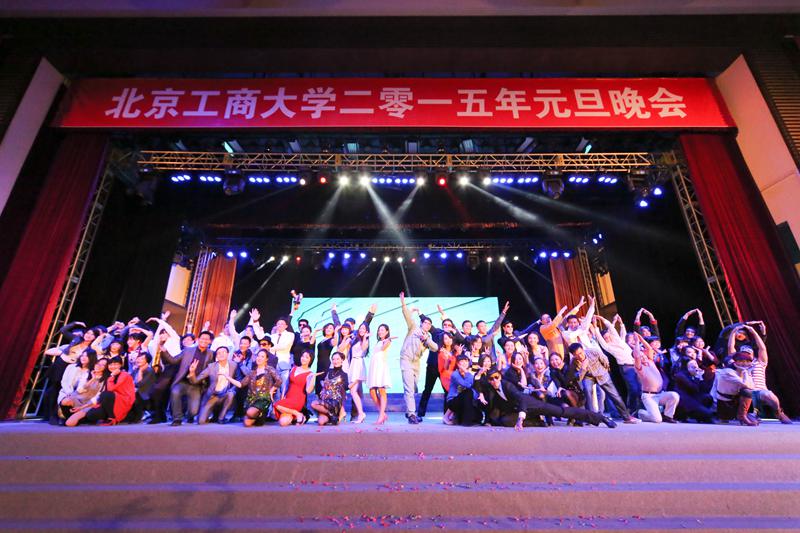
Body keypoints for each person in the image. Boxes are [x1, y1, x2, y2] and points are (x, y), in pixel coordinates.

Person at [481, 366, 616, 430]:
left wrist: (520, 420)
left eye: (496, 377)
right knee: (504, 421)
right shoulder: (491, 388)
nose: (494, 381)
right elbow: (480, 385)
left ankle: (601, 418)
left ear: (500, 377)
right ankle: (537, 422)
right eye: (491, 379)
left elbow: (521, 399)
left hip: (532, 405)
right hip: (519, 410)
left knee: (562, 411)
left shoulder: (507, 385)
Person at [728, 326, 791, 424]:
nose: (746, 355)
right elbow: (730, 348)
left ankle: (779, 412)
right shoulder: (738, 363)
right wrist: (733, 331)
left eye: (748, 353)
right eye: (743, 353)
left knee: (769, 395)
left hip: (761, 391)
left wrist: (753, 332)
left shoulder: (760, 362)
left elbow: (762, 348)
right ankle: (745, 416)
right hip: (745, 392)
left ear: (753, 354)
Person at [569, 342, 639, 423]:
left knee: (615, 395)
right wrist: (583, 368)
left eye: (580, 353)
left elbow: (605, 360)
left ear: (583, 350)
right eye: (576, 355)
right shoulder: (573, 362)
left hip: (601, 374)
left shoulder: (593, 352)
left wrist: (605, 371)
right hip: (588, 376)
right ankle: (592, 417)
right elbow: (578, 378)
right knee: (587, 390)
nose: (580, 356)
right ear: (573, 355)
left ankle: (626, 417)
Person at [417, 306, 466, 418]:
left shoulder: (454, 337)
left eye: (449, 325)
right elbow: (427, 323)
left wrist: (453, 330)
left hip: (445, 369)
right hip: (433, 366)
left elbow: (463, 340)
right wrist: (420, 312)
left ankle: (446, 414)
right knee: (427, 390)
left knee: (447, 390)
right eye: (445, 325)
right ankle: (420, 414)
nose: (447, 326)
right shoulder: (437, 332)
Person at [398, 292, 438, 424]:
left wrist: (426, 339)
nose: (427, 325)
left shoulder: (428, 337)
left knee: (414, 388)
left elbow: (435, 348)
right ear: (421, 323)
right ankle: (411, 414)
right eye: (425, 322)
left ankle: (409, 410)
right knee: (409, 388)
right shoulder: (414, 328)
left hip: (416, 363)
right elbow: (407, 315)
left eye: (429, 324)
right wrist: (403, 303)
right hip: (406, 359)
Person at [162, 330, 214, 426]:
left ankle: (190, 415)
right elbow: (173, 360)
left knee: (193, 412)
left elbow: (212, 370)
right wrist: (164, 351)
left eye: (207, 339)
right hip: (182, 381)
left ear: (210, 341)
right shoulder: (187, 350)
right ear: (198, 339)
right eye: (202, 338)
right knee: (175, 392)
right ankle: (177, 418)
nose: (204, 340)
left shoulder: (211, 354)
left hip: (196, 385)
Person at [66, 356, 135, 426]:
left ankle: (112, 418)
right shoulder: (91, 374)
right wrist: (93, 378)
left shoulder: (123, 375)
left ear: (120, 365)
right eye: (111, 364)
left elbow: (110, 390)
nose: (113, 366)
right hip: (103, 402)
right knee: (90, 414)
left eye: (116, 364)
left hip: (122, 401)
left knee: (105, 395)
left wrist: (112, 376)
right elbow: (80, 390)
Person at [594, 316, 640, 413]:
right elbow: (599, 337)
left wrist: (602, 318)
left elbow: (612, 328)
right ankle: (630, 409)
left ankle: (637, 409)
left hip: (636, 365)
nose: (608, 338)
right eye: (605, 338)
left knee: (640, 388)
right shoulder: (607, 347)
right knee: (634, 389)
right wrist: (595, 327)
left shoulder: (619, 340)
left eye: (608, 336)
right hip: (626, 367)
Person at [632, 332, 679, 423]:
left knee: (674, 395)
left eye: (643, 355)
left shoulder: (650, 361)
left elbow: (649, 348)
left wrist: (641, 339)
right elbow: (637, 355)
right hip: (649, 396)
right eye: (641, 357)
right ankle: (639, 413)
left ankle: (668, 416)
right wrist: (637, 342)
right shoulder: (639, 367)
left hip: (660, 394)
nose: (643, 357)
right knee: (657, 419)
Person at [191, 346, 240, 424]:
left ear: (228, 354)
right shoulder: (211, 366)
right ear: (216, 356)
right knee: (201, 421)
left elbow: (238, 380)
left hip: (225, 394)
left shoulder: (233, 365)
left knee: (231, 394)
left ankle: (221, 418)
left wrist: (232, 389)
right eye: (219, 353)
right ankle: (212, 414)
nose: (221, 354)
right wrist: (192, 372)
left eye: (223, 352)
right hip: (213, 396)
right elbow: (195, 381)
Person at [712, 350, 758, 426]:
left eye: (747, 361)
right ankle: (740, 416)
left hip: (735, 400)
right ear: (735, 362)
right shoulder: (728, 372)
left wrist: (745, 372)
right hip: (724, 402)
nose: (744, 363)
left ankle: (742, 415)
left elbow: (752, 387)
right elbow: (746, 385)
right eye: (741, 361)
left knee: (748, 392)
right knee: (747, 391)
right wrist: (745, 372)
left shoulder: (743, 371)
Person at [274, 349, 317, 426]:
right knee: (283, 422)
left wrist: (313, 378)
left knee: (277, 405)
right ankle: (297, 416)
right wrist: (283, 396)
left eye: (307, 357)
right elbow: (286, 384)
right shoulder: (294, 368)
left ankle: (297, 413)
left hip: (298, 400)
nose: (303, 358)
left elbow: (308, 391)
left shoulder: (310, 374)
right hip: (288, 397)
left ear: (310, 360)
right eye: (303, 356)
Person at [239, 349, 282, 427]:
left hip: (263, 399)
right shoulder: (253, 372)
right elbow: (241, 384)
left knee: (250, 413)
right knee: (247, 423)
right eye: (258, 356)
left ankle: (261, 412)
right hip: (252, 399)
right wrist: (227, 377)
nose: (259, 358)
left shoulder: (269, 369)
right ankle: (258, 416)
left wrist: (272, 389)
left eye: (262, 356)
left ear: (266, 359)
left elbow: (279, 380)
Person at [312, 352, 349, 426]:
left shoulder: (344, 374)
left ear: (342, 360)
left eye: (337, 359)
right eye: (333, 359)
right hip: (325, 399)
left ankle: (337, 413)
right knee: (321, 422)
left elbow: (345, 388)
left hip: (334, 402)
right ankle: (332, 415)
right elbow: (321, 382)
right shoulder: (328, 371)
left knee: (315, 404)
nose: (335, 361)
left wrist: (337, 385)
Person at [57, 350, 96, 421]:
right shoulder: (71, 367)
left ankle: (72, 418)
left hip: (81, 396)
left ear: (92, 358)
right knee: (67, 401)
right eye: (82, 355)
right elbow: (64, 381)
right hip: (66, 392)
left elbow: (86, 388)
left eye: (87, 356)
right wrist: (69, 392)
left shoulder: (92, 371)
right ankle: (65, 416)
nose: (83, 358)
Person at [672, 358, 714, 423]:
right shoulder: (681, 375)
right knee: (708, 415)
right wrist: (697, 377)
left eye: (696, 364)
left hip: (693, 397)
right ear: (686, 367)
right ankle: (687, 415)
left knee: (708, 397)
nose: (695, 367)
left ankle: (700, 416)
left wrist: (701, 377)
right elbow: (693, 388)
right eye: (692, 365)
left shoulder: (696, 373)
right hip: (685, 400)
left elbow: (705, 389)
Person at [367, 324, 394, 425]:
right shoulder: (378, 341)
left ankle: (381, 415)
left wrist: (388, 340)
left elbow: (383, 348)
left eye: (382, 330)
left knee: (381, 390)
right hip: (374, 367)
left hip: (381, 367)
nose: (380, 332)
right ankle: (382, 413)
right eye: (379, 330)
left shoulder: (387, 341)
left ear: (387, 332)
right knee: (372, 391)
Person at [443, 355, 480, 426]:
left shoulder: (469, 374)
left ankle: (459, 418)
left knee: (478, 416)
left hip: (465, 401)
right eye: (462, 361)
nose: (465, 363)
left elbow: (472, 387)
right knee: (468, 392)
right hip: (453, 401)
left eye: (466, 361)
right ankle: (466, 421)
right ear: (458, 364)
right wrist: (467, 372)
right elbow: (466, 385)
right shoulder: (455, 374)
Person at [347, 322, 369, 423]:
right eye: (360, 328)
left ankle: (361, 413)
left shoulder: (365, 340)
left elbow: (364, 348)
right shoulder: (356, 339)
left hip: (358, 364)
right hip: (353, 363)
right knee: (353, 391)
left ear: (366, 331)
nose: (361, 330)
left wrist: (365, 337)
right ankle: (361, 413)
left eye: (363, 328)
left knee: (353, 391)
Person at [127, 352, 156, 423]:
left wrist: (140, 371)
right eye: (138, 358)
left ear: (147, 361)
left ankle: (142, 414)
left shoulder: (149, 370)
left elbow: (140, 384)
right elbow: (129, 381)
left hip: (144, 395)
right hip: (134, 392)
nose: (139, 360)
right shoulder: (135, 370)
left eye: (142, 359)